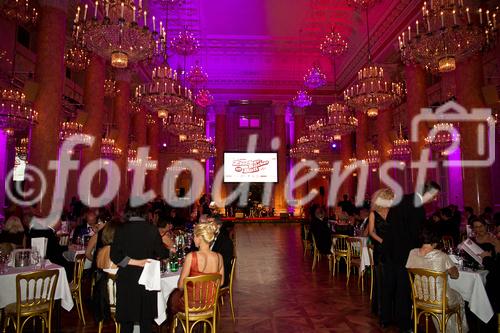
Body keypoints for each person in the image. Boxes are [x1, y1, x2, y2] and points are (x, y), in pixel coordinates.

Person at [383, 181, 441, 332]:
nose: (434, 200)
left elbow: (389, 223)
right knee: (404, 289)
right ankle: (404, 324)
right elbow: (417, 234)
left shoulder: (402, 199)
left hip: (390, 250)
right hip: (405, 254)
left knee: (389, 285)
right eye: (434, 196)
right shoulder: (418, 207)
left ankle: (386, 318)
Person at [110, 204, 169, 333]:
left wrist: (134, 261)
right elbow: (162, 253)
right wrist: (167, 251)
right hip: (147, 278)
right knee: (146, 320)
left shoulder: (121, 229)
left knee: (126, 321)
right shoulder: (151, 229)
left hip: (126, 278)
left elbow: (114, 256)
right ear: (145, 212)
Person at [406, 225, 468, 333]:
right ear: (436, 239)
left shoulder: (412, 253)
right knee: (459, 298)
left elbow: (410, 269)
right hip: (439, 300)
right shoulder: (441, 256)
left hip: (419, 298)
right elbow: (455, 276)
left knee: (445, 295)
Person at [166, 222, 224, 331]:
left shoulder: (191, 256)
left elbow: (180, 285)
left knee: (172, 298)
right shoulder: (219, 257)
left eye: (194, 236)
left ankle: (176, 328)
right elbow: (220, 283)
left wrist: (193, 288)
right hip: (209, 305)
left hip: (191, 306)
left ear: (200, 238)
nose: (193, 239)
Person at [367, 188, 393, 319]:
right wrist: (382, 241)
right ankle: (381, 310)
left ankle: (392, 310)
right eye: (390, 198)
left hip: (392, 249)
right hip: (380, 249)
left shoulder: (393, 212)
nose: (392, 201)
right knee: (381, 280)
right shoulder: (373, 214)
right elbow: (371, 232)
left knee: (391, 280)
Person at [211, 217, 234, 287]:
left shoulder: (226, 242)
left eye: (210, 224)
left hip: (220, 277)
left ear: (218, 226)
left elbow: (225, 264)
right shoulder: (206, 239)